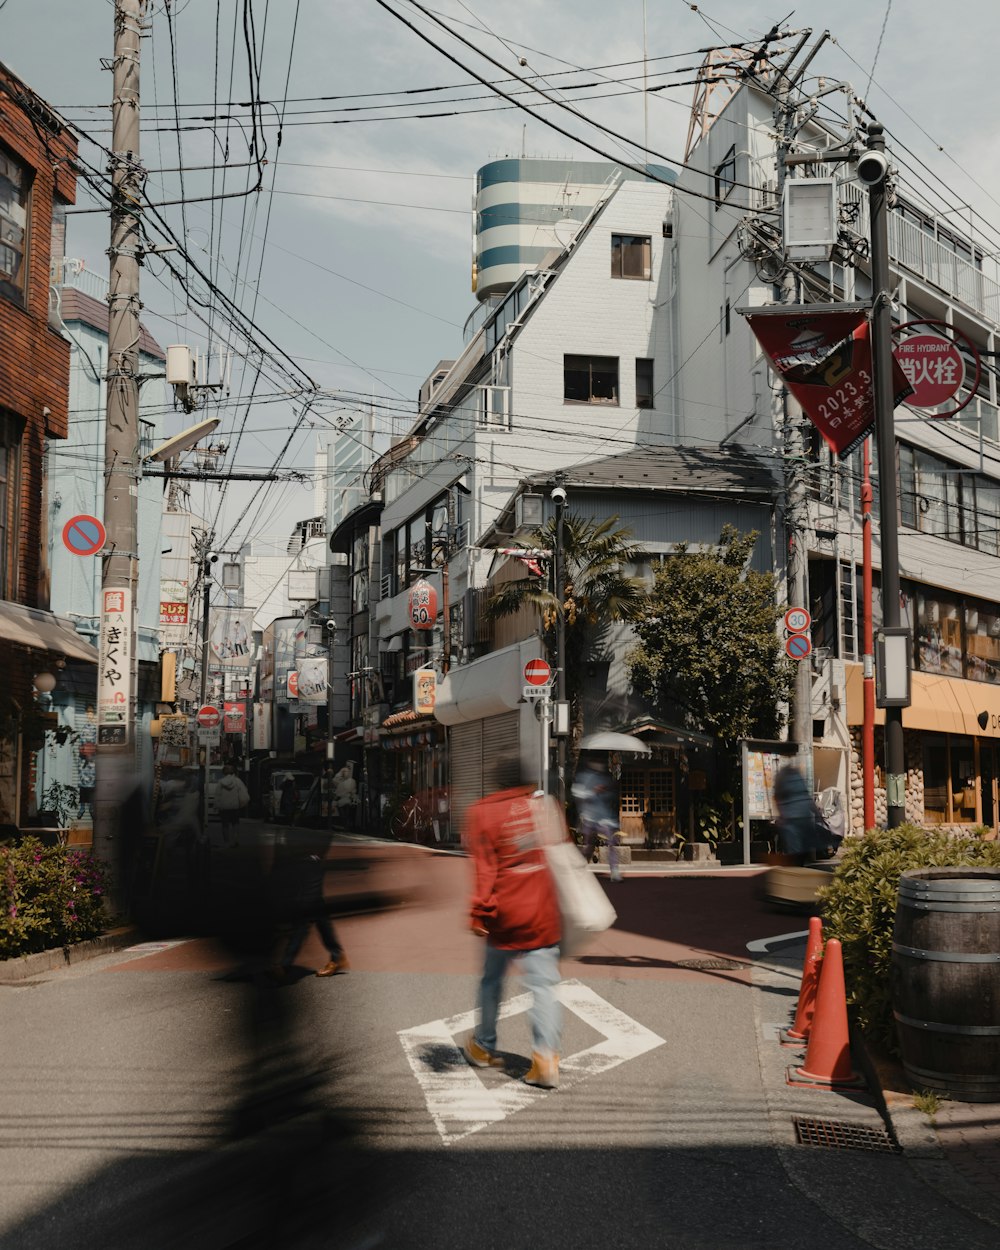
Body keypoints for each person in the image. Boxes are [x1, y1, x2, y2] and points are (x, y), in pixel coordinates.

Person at [463, 779, 562, 1090]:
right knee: (544, 986)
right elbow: (560, 852)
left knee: (492, 980)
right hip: (544, 913)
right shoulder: (545, 806)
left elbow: (485, 870)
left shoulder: (485, 812)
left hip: (506, 916)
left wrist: (479, 913)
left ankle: (484, 1045)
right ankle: (545, 1059)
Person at [270, 834, 349, 980]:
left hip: (309, 857)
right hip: (302, 856)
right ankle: (337, 957)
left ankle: (285, 964)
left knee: (305, 910)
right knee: (317, 909)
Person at [772, 766, 841, 865]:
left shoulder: (783, 779)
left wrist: (781, 818)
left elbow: (778, 800)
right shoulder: (797, 779)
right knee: (801, 856)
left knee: (795, 856)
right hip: (803, 822)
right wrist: (819, 817)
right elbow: (807, 800)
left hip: (792, 824)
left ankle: (796, 870)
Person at [573, 755, 623, 882]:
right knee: (589, 845)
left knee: (611, 842)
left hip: (603, 817)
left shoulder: (605, 778)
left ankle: (614, 871)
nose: (599, 765)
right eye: (596, 761)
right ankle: (581, 868)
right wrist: (594, 791)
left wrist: (608, 790)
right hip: (589, 817)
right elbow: (578, 795)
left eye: (601, 762)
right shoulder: (583, 777)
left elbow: (610, 797)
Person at [215, 763, 249, 847]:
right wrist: (243, 803)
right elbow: (243, 793)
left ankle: (227, 841)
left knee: (225, 825)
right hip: (235, 806)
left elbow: (217, 795)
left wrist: (216, 805)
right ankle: (235, 840)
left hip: (224, 807)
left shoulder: (220, 782)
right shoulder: (238, 781)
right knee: (235, 823)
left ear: (224, 772)